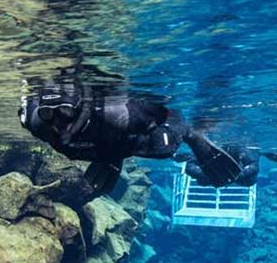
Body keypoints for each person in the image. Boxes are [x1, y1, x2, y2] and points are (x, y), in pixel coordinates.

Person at [19, 78, 241, 192]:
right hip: (104, 144)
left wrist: (187, 132)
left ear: (79, 109)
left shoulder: (120, 115)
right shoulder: (37, 122)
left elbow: (164, 113)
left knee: (163, 148)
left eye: (65, 113)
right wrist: (108, 157)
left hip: (128, 135)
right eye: (49, 113)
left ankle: (194, 135)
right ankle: (110, 153)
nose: (58, 123)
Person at [184, 145, 260, 187]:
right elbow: (189, 167)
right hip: (214, 170)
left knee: (250, 181)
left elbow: (254, 165)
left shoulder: (239, 151)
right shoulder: (207, 149)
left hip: (233, 170)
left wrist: (238, 175)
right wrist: (207, 175)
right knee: (202, 182)